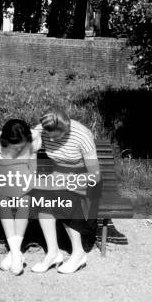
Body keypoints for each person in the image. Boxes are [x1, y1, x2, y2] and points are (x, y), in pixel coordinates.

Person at [30, 107, 101, 274]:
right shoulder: (40, 130)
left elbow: (95, 175)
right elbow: (26, 151)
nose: (53, 141)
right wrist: (33, 146)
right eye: (50, 136)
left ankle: (78, 254)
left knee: (61, 198)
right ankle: (53, 252)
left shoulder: (81, 136)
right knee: (43, 197)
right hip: (58, 176)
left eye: (58, 137)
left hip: (83, 178)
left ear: (67, 128)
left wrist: (69, 182)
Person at [0, 119, 41, 276]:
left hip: (22, 178)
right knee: (3, 199)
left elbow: (33, 162)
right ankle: (17, 254)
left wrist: (33, 180)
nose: (19, 149)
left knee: (26, 199)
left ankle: (13, 254)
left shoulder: (32, 140)